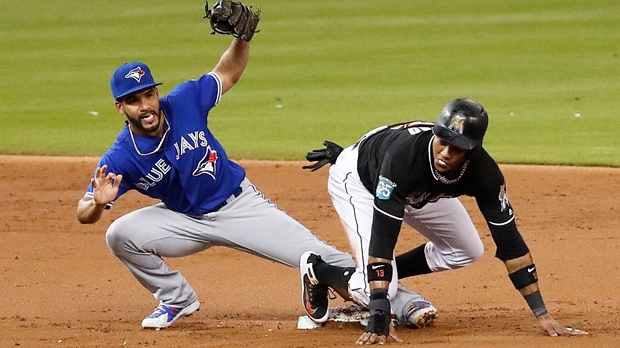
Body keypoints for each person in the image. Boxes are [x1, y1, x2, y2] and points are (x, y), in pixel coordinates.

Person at [74, 3, 364, 330]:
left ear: (157, 93)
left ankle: (402, 302)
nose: (145, 106)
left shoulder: (184, 100)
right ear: (120, 107)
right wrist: (97, 205)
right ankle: (176, 298)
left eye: (149, 95)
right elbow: (84, 212)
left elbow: (227, 72)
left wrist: (243, 38)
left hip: (238, 206)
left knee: (319, 256)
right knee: (119, 234)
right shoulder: (120, 157)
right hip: (184, 221)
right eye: (133, 100)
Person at [300, 98, 588, 344]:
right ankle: (321, 272)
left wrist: (542, 314)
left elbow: (510, 243)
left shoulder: (484, 173)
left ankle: (377, 275)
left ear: (473, 150)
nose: (446, 153)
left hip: (422, 189)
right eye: (443, 141)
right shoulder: (404, 159)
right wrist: (378, 314)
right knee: (379, 290)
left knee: (468, 251)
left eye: (458, 148)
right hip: (363, 181)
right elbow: (383, 241)